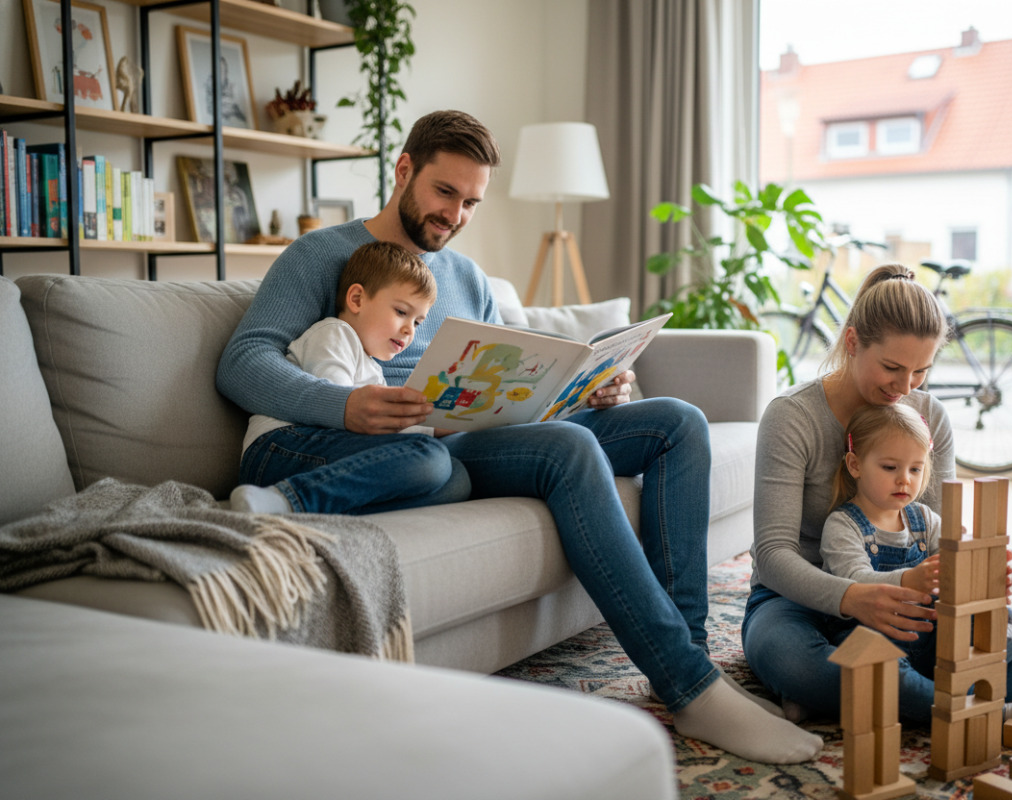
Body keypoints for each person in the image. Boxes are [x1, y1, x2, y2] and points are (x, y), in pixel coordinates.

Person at [217, 109, 822, 763]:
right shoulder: (323, 255)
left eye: (472, 202)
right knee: (566, 451)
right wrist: (345, 405)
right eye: (444, 192)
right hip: (386, 440)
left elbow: (494, 389)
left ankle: (691, 654)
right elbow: (243, 361)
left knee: (677, 422)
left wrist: (583, 390)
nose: (455, 215)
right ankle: (690, 689)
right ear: (404, 171)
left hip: (461, 436)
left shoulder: (468, 279)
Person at [741, 263, 1012, 733]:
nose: (904, 389)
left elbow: (936, 530)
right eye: (893, 369)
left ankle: (852, 696)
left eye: (921, 371)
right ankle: (983, 713)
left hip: (906, 602)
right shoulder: (791, 417)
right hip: (798, 600)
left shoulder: (928, 415)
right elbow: (775, 555)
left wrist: (979, 573)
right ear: (854, 342)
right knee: (795, 661)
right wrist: (854, 597)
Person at [818, 403, 1012, 722]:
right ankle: (989, 712)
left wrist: (990, 571)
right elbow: (855, 580)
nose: (904, 480)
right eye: (890, 468)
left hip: (935, 642)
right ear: (855, 464)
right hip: (875, 638)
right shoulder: (842, 525)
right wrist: (909, 581)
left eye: (915, 469)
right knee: (882, 673)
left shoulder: (925, 519)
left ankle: (943, 695)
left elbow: (958, 562)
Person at [230, 241, 469, 516]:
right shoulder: (334, 333)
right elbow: (338, 416)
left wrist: (434, 426)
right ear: (356, 299)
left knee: (457, 480)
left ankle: (303, 504)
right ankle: (289, 499)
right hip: (281, 449)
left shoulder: (372, 367)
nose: (408, 331)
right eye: (402, 312)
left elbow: (377, 426)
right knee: (431, 456)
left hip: (316, 456)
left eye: (417, 322)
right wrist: (424, 435)